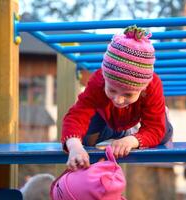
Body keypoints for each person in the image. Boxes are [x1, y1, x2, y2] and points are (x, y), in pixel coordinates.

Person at [61, 25, 173, 170]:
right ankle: (122, 133)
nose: (118, 99)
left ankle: (133, 132)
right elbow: (77, 115)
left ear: (142, 88)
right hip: (107, 118)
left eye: (128, 94)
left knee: (161, 135)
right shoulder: (98, 81)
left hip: (136, 115)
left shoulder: (152, 86)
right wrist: (75, 147)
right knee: (87, 140)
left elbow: (154, 128)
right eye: (112, 90)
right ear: (105, 79)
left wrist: (132, 141)